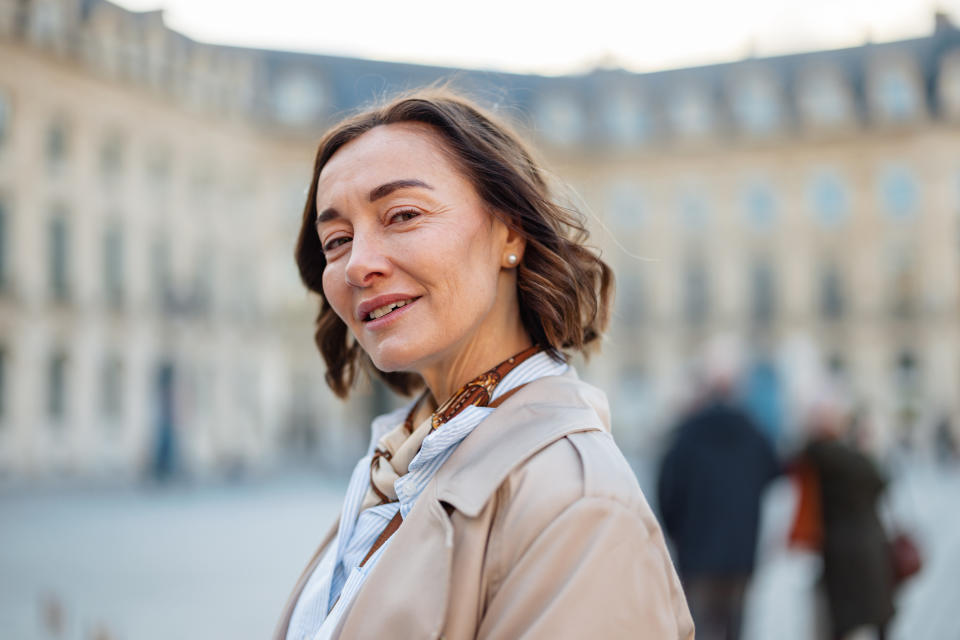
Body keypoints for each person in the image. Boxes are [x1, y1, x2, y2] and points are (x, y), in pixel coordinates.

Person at [273, 89, 694, 640]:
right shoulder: (400, 465)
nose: (358, 265)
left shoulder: (575, 503)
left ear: (510, 232)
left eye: (402, 215)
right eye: (337, 240)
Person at [657, 340, 779, 640]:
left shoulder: (687, 433)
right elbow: (774, 476)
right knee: (736, 629)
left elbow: (667, 492)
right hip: (742, 555)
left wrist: (680, 534)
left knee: (701, 629)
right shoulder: (753, 431)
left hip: (697, 555)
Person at [802, 393, 895, 640]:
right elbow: (882, 483)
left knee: (842, 619)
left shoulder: (819, 455)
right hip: (870, 543)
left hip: (839, 545)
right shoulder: (856, 459)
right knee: (877, 614)